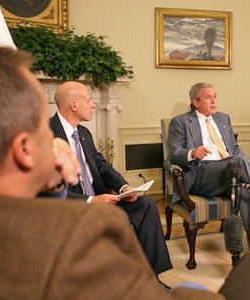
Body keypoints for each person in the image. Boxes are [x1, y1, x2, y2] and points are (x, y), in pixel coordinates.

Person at [0, 47, 250, 300]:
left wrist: (112, 186)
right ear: (25, 150)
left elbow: (100, 165)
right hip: (196, 175)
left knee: (238, 182)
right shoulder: (73, 234)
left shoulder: (79, 142)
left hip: (225, 171)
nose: (54, 142)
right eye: (41, 131)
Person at [50, 81, 172, 276]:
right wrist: (91, 201)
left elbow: (101, 165)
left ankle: (151, 277)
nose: (93, 105)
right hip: (73, 207)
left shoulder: (83, 132)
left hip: (102, 199)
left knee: (147, 205)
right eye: (88, 100)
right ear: (73, 105)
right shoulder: (46, 134)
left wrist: (123, 188)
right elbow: (47, 191)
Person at [169, 82, 250, 250]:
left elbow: (234, 149)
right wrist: (192, 153)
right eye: (208, 97)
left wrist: (241, 161)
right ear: (196, 102)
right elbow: (174, 153)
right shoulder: (180, 122)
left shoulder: (223, 118)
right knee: (239, 162)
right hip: (202, 176)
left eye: (215, 96)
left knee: (246, 191)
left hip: (229, 173)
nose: (214, 101)